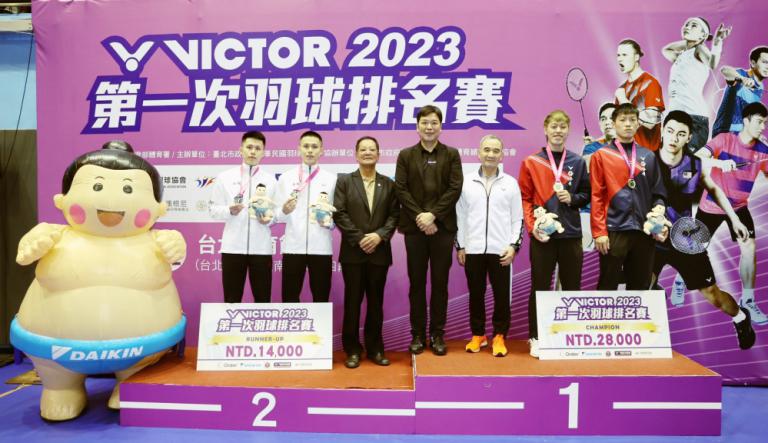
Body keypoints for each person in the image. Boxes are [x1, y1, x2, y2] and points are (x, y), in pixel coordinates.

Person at [652, 110, 755, 349]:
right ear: (662, 131)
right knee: (641, 286)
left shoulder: (695, 164)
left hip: (685, 238)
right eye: (670, 131)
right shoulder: (647, 160)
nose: (674, 138)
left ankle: (740, 317)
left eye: (681, 134)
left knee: (711, 293)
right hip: (653, 238)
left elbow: (715, 189)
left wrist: (735, 219)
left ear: (689, 137)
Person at [519, 111, 590, 358]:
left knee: (572, 288)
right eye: (554, 126)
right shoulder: (532, 162)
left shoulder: (578, 162)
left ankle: (569, 336)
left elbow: (586, 195)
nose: (558, 131)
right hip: (543, 237)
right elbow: (525, 199)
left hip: (571, 234)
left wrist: (572, 198)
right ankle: (536, 337)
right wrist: (533, 228)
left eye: (562, 126)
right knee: (539, 288)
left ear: (568, 130)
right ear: (546, 129)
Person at [395, 105, 463, 356]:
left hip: (442, 229)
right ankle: (417, 334)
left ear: (441, 126)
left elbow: (455, 188)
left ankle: (437, 334)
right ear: (417, 126)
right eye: (424, 122)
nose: (429, 127)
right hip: (415, 230)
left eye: (434, 123)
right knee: (417, 284)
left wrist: (433, 215)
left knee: (440, 283)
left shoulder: (451, 154)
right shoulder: (406, 155)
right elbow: (401, 189)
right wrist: (421, 217)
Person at [696, 102, 768, 325]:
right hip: (712, 204)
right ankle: (681, 281)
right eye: (759, 122)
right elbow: (697, 157)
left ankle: (748, 300)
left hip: (739, 206)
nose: (762, 127)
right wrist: (719, 162)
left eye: (765, 123)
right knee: (694, 249)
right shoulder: (724, 139)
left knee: (749, 247)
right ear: (746, 121)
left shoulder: (763, 150)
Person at [334, 136, 400, 368]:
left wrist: (379, 235)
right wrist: (360, 237)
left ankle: (375, 348)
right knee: (352, 302)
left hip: (379, 252)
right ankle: (352, 350)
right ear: (356, 154)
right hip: (353, 252)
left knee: (375, 303)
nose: (368, 153)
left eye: (372, 149)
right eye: (363, 149)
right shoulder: (344, 181)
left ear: (378, 154)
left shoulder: (388, 184)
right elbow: (339, 213)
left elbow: (394, 215)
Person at [456, 135, 523, 357]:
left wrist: (513, 246)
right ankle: (478, 334)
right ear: (479, 153)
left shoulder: (510, 183)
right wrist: (461, 246)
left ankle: (499, 335)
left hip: (501, 250)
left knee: (501, 296)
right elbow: (459, 217)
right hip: (473, 249)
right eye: (486, 150)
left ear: (501, 155)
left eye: (495, 151)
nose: (491, 154)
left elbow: (517, 219)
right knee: (476, 294)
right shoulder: (466, 182)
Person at [591, 103, 668, 290]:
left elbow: (658, 193)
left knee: (640, 286)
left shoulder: (648, 156)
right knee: (608, 285)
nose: (628, 124)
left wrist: (659, 215)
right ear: (614, 124)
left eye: (632, 120)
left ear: (638, 124)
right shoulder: (601, 155)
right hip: (614, 230)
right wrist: (599, 232)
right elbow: (596, 196)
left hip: (644, 231)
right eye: (623, 120)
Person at [209, 131, 276, 303]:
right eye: (249, 147)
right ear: (241, 150)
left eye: (257, 148)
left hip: (261, 249)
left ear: (263, 152)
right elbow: (213, 210)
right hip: (232, 248)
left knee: (263, 300)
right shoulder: (225, 177)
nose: (253, 152)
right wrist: (229, 211)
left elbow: (277, 212)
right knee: (231, 300)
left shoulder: (271, 180)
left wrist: (269, 219)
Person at [275, 130, 337, 303]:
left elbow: (337, 215)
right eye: (306, 146)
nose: (310, 150)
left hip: (321, 247)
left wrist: (328, 223)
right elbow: (276, 215)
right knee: (290, 298)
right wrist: (284, 211)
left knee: (321, 297)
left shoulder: (331, 179)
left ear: (321, 150)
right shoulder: (286, 178)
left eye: (314, 147)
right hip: (293, 247)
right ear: (299, 149)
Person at [662, 18, 731, 152]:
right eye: (686, 25)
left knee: (688, 161)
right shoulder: (681, 56)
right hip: (675, 116)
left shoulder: (699, 50)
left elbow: (712, 63)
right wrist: (689, 42)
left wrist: (716, 42)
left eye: (693, 25)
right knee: (671, 160)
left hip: (693, 117)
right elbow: (667, 50)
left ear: (703, 35)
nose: (687, 27)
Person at [615, 39, 665, 151]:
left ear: (636, 57)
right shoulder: (622, 89)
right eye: (618, 55)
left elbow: (651, 122)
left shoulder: (651, 83)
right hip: (627, 153)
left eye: (624, 55)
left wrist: (624, 101)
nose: (620, 59)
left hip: (649, 154)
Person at [712, 46, 768, 137]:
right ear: (753, 63)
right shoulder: (741, 74)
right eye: (765, 62)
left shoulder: (760, 87)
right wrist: (742, 79)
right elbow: (725, 70)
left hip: (741, 135)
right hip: (725, 132)